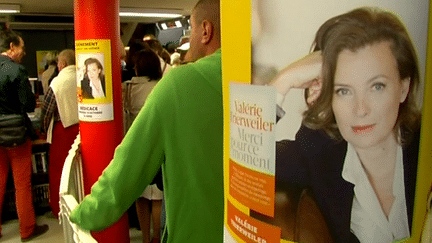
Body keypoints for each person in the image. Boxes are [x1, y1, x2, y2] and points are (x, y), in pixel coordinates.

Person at [69, 0, 222, 242]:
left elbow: (126, 171)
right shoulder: (260, 79)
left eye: (191, 28)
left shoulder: (179, 84)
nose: (188, 38)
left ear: (205, 30)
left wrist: (80, 215)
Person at [272, 7, 421, 243]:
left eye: (377, 86)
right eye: (344, 90)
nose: (360, 109)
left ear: (403, 87)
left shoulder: (425, 145)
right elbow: (243, 161)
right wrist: (282, 82)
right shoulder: (318, 150)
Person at [0, 29, 49, 241]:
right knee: (22, 184)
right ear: (11, 47)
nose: (24, 53)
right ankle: (27, 229)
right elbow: (28, 103)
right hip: (16, 133)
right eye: (22, 48)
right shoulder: (16, 71)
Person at [123, 49, 163, 243]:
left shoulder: (128, 88)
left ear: (138, 68)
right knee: (157, 195)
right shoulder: (161, 87)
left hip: (135, 148)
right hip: (157, 146)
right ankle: (157, 236)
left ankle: (145, 239)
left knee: (140, 195)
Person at [41, 49, 79, 219]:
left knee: (59, 171)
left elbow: (46, 111)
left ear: (62, 64)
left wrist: (42, 130)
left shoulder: (57, 83)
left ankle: (59, 209)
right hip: (82, 129)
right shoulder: (82, 77)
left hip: (61, 131)